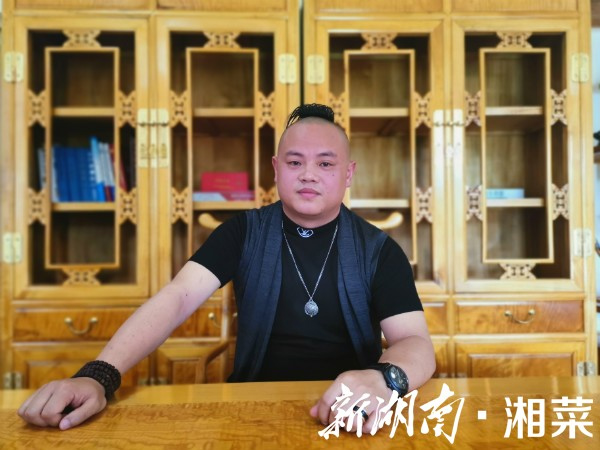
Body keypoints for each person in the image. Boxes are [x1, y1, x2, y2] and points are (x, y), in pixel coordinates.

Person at [17, 103, 435, 433]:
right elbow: (178, 297)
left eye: (325, 163)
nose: (309, 175)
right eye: (295, 163)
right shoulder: (242, 232)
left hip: (353, 410)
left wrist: (385, 380)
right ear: (276, 169)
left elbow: (416, 343)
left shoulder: (379, 250)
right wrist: (98, 375)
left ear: (348, 174)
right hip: (252, 407)